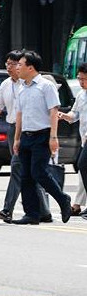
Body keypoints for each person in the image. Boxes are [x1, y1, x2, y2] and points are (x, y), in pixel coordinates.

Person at [0, 50, 50, 222]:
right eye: (7, 64)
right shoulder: (6, 84)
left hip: (30, 131)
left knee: (17, 168)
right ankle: (44, 211)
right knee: (27, 171)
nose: (9, 67)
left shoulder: (31, 84)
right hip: (13, 129)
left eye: (13, 64)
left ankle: (8, 209)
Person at [11, 50, 72, 224]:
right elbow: (19, 114)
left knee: (38, 172)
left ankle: (63, 199)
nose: (17, 68)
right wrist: (17, 138)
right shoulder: (21, 88)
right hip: (26, 135)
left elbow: (53, 111)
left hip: (42, 135)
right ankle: (31, 214)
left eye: (20, 64)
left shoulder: (46, 86)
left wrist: (53, 137)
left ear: (30, 68)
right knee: (26, 176)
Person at [60, 63, 87, 217]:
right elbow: (74, 114)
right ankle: (77, 204)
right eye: (79, 79)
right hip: (84, 138)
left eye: (84, 79)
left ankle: (77, 204)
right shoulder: (81, 95)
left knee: (82, 164)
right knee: (84, 169)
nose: (81, 82)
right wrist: (64, 116)